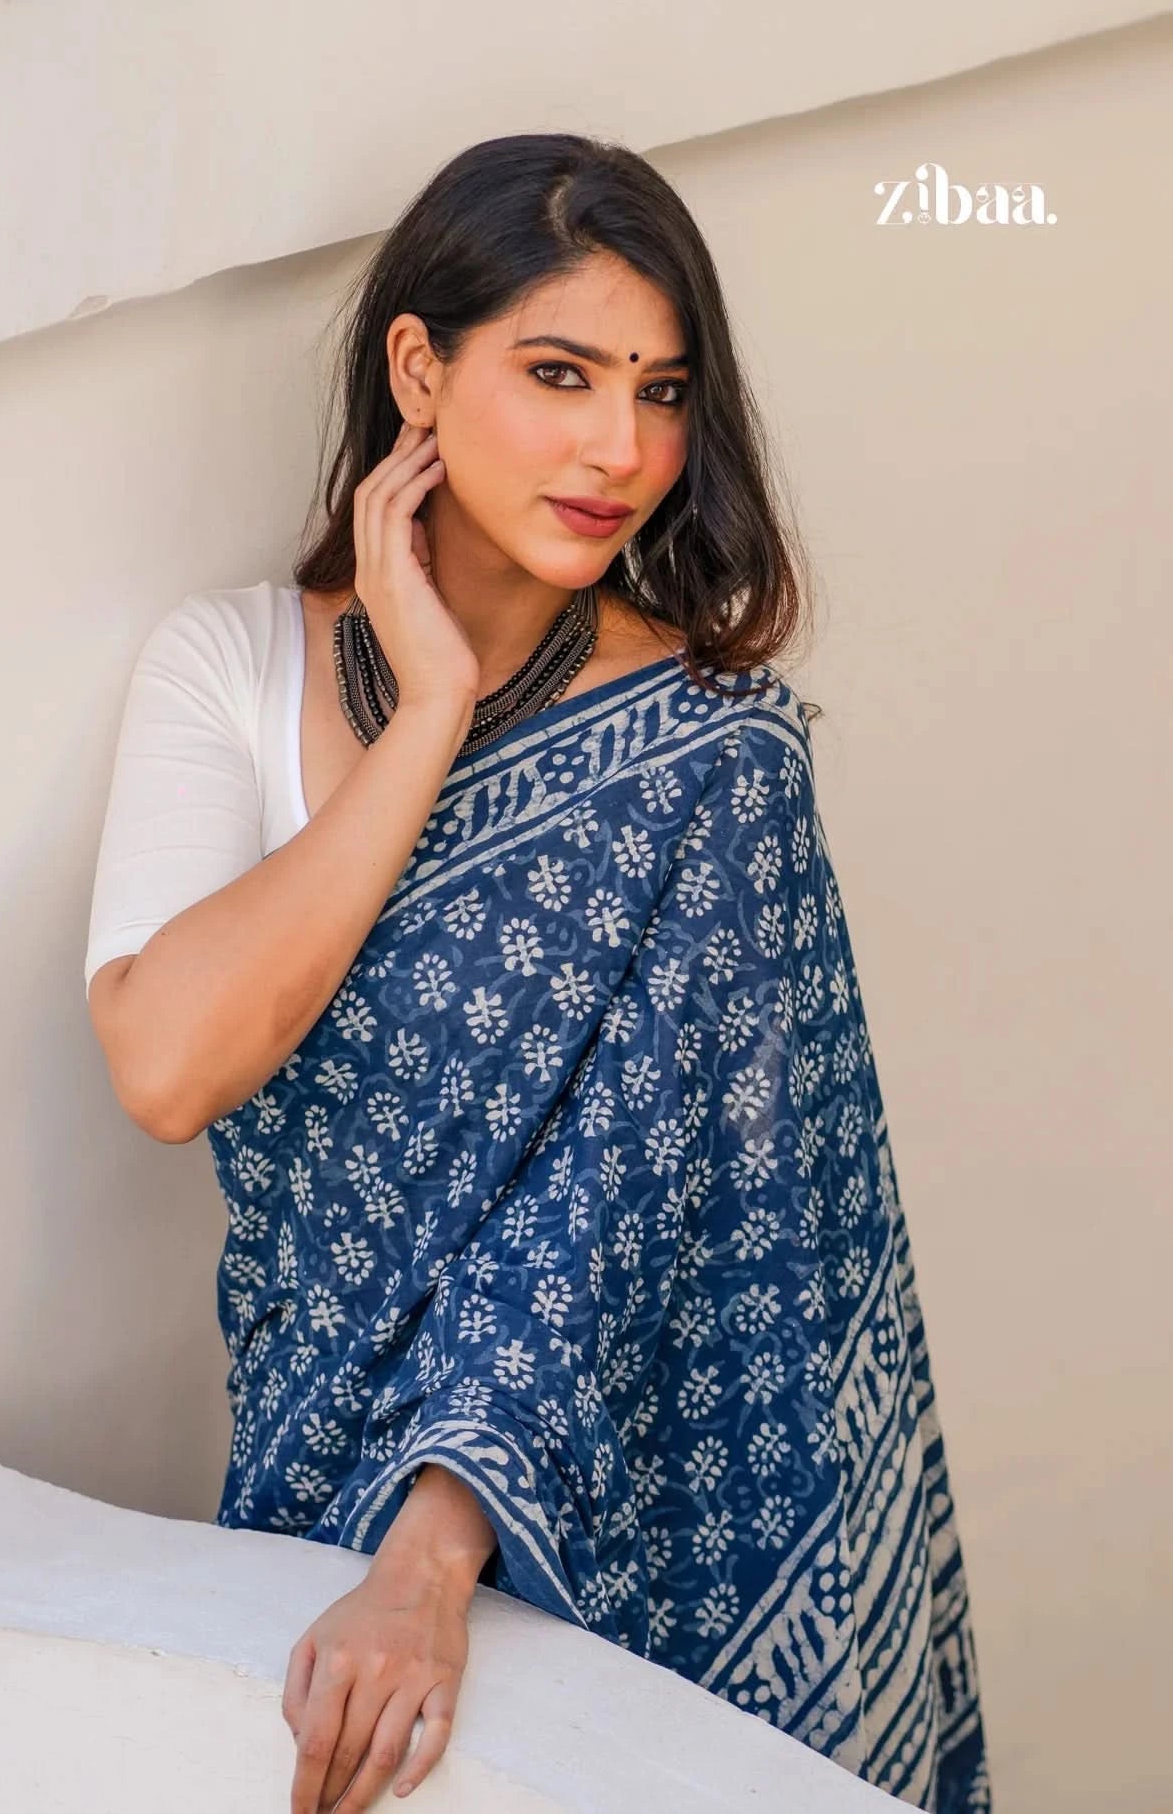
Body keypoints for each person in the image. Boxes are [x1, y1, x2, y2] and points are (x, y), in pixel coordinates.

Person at [86, 132, 992, 1814]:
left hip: (604, 1539)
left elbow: (616, 1213)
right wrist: (424, 711)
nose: (620, 449)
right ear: (417, 369)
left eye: (660, 393)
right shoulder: (223, 664)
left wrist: (430, 1563)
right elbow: (167, 1067)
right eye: (561, 375)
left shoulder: (712, 764)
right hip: (303, 1486)